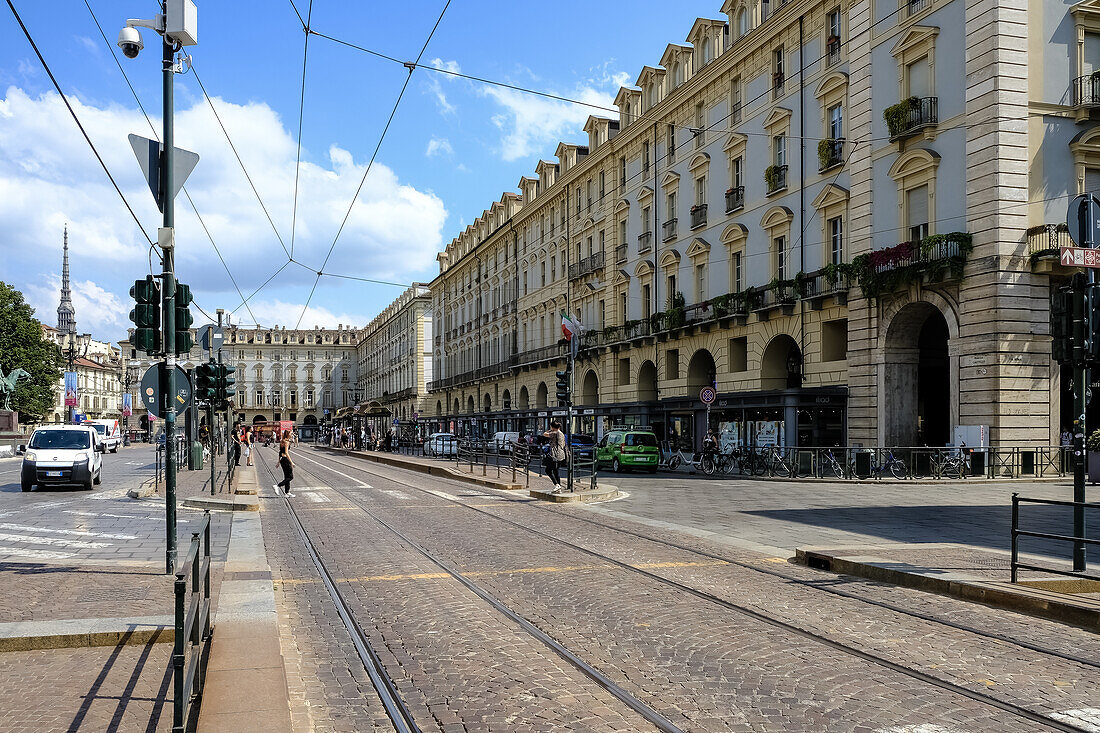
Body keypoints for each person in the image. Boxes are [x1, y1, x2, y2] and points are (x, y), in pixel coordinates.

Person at [542, 420, 568, 494]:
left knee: (548, 470)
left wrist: (550, 429)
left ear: (552, 427)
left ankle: (557, 485)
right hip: (561, 454)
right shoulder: (561, 433)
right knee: (556, 471)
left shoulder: (555, 433)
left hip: (555, 454)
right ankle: (558, 488)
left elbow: (545, 434)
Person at [274, 429, 295, 497]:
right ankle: (278, 486)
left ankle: (287, 492)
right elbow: (286, 452)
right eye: (291, 434)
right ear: (288, 434)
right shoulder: (286, 442)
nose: (292, 435)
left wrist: (279, 461)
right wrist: (291, 462)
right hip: (286, 460)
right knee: (290, 477)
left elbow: (280, 452)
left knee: (286, 476)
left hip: (282, 460)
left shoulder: (282, 441)